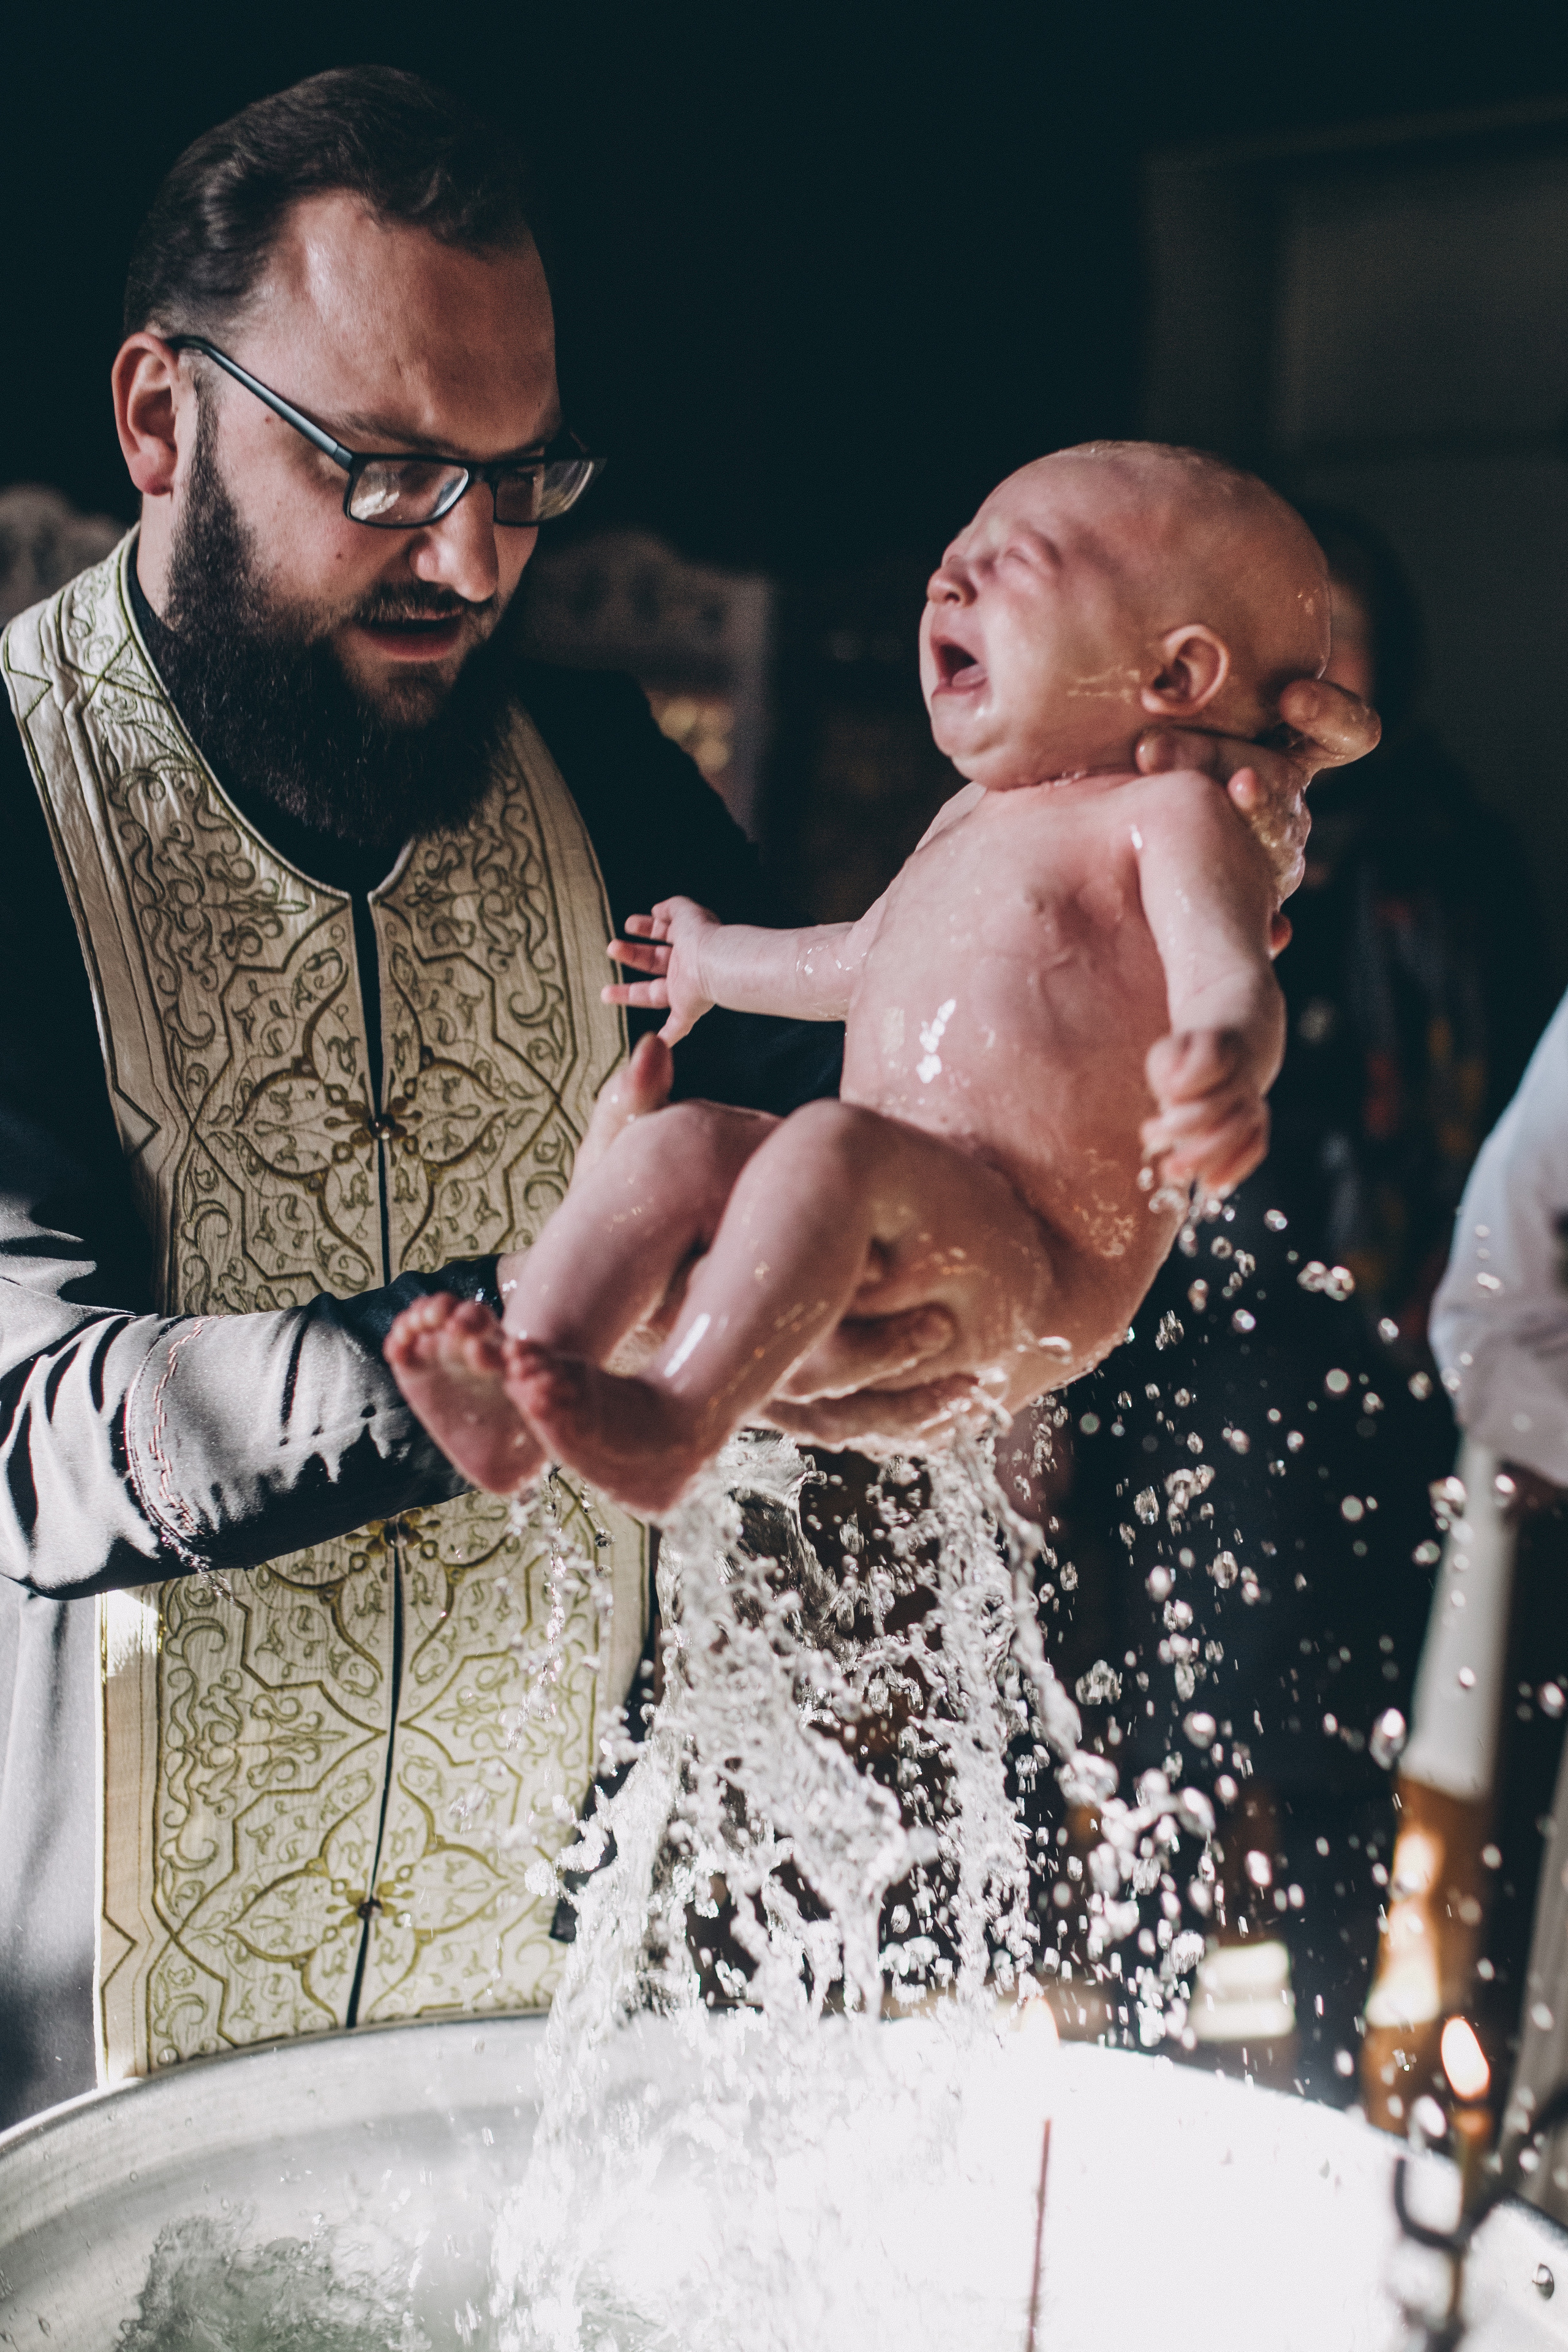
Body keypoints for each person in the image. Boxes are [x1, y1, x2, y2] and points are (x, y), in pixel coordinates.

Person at [0, 66, 1371, 2132]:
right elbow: (33, 1438)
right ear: (159, 422)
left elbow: (917, 1153)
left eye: (519, 473)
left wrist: (1071, 1151)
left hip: (528, 2019)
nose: (468, 558)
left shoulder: (600, 771)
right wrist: (493, 1354)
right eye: (379, 469)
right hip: (70, 2039)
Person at [383, 443, 1316, 1517]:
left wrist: (1227, 1063)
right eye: (956, 551)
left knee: (823, 1142)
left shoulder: (1173, 818)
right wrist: (711, 959)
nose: (947, 580)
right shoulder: (971, 819)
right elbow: (854, 960)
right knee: (678, 1139)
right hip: (895, 1186)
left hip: (1032, 1250)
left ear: (1174, 676)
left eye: (1015, 561)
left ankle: (677, 1417)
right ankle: (524, 1377)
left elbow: (1232, 976)